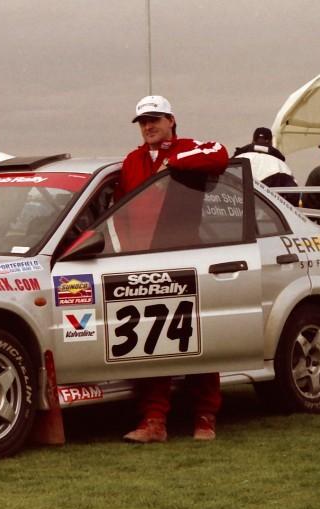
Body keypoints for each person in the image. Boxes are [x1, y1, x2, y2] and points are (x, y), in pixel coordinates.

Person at [117, 95, 229, 443]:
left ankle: (205, 417)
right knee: (151, 344)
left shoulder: (187, 149)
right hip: (143, 263)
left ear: (171, 120)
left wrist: (175, 161)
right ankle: (154, 421)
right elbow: (120, 211)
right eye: (143, 121)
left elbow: (221, 153)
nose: (149, 126)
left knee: (197, 341)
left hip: (186, 258)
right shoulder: (132, 161)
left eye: (155, 119)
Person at [233, 127, 298, 203]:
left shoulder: (236, 161)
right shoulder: (281, 166)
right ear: (271, 143)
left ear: (253, 141)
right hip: (268, 212)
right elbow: (293, 194)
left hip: (235, 209)